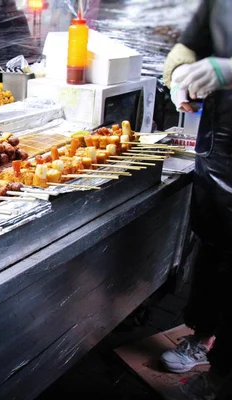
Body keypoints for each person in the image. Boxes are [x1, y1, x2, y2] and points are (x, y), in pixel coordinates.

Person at [161, 0, 232, 398]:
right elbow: (188, 45)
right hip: (219, 145)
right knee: (213, 245)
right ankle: (203, 337)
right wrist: (179, 74)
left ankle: (222, 375)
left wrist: (228, 68)